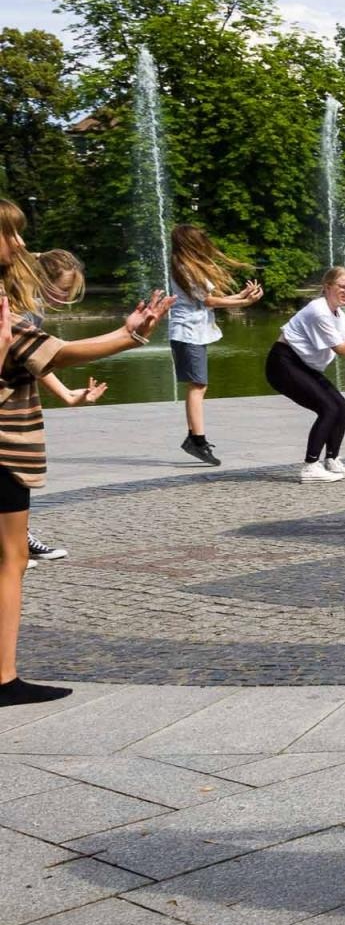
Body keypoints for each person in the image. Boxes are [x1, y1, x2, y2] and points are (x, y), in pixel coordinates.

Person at [0, 198, 175, 706]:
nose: (20, 245)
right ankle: (4, 679)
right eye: (10, 234)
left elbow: (29, 354)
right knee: (9, 559)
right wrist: (128, 335)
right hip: (4, 446)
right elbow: (47, 351)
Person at [265, 266, 345, 483]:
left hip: (302, 365)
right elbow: (342, 350)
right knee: (327, 408)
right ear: (327, 287)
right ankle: (310, 466)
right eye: (342, 287)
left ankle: (332, 460)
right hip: (283, 364)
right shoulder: (318, 310)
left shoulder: (339, 314)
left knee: (342, 407)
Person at [29, 250, 107, 567]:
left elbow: (34, 359)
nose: (64, 298)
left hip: (16, 398)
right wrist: (130, 335)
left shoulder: (31, 307)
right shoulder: (17, 303)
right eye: (61, 289)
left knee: (14, 476)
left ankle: (17, 539)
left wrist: (66, 395)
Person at [167, 224, 263, 466]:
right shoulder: (184, 268)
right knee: (198, 386)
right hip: (188, 332)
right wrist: (242, 303)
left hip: (192, 332)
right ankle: (197, 440)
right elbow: (208, 300)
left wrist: (241, 296)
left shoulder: (185, 266)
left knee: (198, 386)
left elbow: (206, 302)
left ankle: (195, 438)